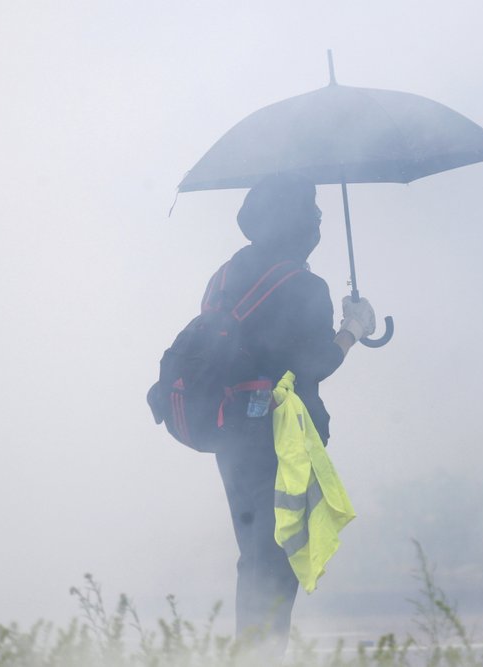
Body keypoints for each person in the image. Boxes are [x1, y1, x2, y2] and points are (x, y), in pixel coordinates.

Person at [206, 173, 376, 658]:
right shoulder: (303, 284)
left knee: (254, 556)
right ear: (294, 222)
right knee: (278, 558)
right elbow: (316, 363)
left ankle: (251, 653)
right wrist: (354, 328)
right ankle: (262, 658)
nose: (319, 222)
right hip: (280, 442)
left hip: (229, 436)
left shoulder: (222, 277)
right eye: (312, 213)